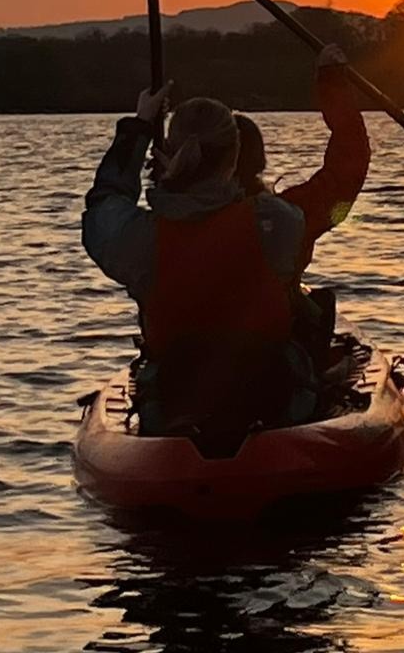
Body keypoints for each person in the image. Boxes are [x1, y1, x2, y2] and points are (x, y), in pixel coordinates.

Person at [80, 44, 363, 442]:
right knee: (310, 319)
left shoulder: (136, 238)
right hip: (273, 401)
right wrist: (334, 84)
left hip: (176, 401)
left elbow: (105, 200)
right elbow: (343, 179)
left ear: (170, 155)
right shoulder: (278, 223)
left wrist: (141, 127)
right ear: (234, 159)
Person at [233, 43, 372, 360]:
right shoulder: (289, 217)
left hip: (189, 356)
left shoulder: (166, 219)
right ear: (258, 162)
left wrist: (142, 129)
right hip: (269, 354)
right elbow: (347, 168)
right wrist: (332, 81)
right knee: (317, 308)